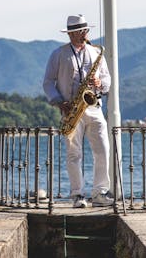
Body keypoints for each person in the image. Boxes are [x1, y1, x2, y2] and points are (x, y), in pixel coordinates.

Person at [43, 14, 113, 208]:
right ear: (70, 34)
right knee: (74, 154)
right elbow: (48, 82)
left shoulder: (96, 52)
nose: (82, 35)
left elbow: (107, 80)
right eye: (77, 32)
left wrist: (100, 83)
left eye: (84, 31)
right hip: (71, 109)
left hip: (93, 106)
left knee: (103, 150)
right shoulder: (58, 54)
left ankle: (100, 192)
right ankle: (77, 195)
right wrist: (59, 102)